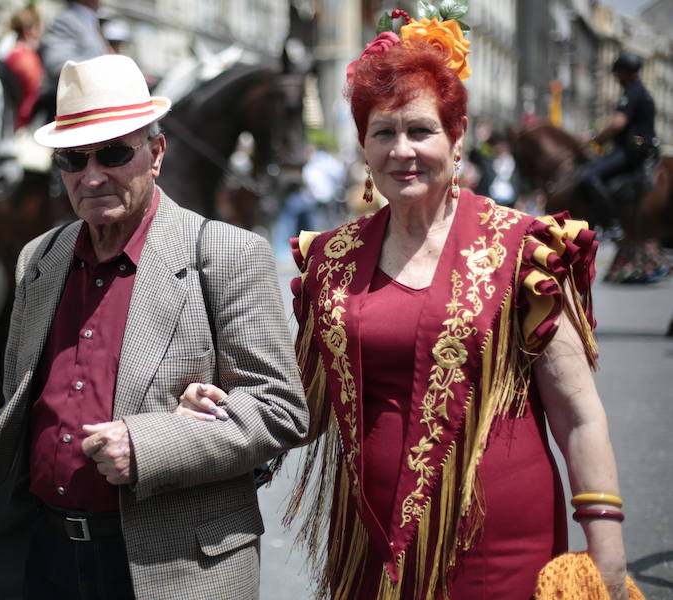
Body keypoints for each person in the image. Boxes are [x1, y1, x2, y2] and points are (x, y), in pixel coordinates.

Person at [242, 13, 629, 600]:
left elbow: (578, 415)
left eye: (421, 130)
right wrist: (219, 404)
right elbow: (303, 403)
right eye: (382, 133)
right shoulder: (332, 259)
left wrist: (608, 558)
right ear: (363, 146)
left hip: (503, 552)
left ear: (458, 135)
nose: (403, 151)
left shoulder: (525, 251)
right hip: (372, 548)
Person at [0, 54, 308, 600]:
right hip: (44, 555)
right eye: (73, 157)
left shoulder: (227, 253)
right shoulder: (38, 259)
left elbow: (281, 409)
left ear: (156, 153)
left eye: (114, 153)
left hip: (167, 566)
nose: (92, 175)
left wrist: (150, 442)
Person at [580, 51, 657, 237]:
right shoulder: (641, 92)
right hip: (642, 151)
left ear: (626, 72)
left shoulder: (632, 92)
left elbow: (617, 123)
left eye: (618, 73)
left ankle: (611, 223)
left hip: (631, 152)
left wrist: (594, 139)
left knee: (588, 176)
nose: (616, 78)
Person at [37, 0, 110, 118]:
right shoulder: (66, 20)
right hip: (73, 115)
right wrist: (109, 70)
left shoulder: (88, 20)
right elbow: (59, 66)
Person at [4, 5, 44, 131]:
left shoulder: (10, 53)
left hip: (12, 121)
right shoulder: (26, 58)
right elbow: (35, 95)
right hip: (25, 126)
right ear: (29, 30)